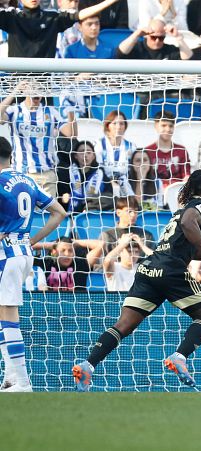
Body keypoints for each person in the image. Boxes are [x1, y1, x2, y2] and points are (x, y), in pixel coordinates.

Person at [72, 170, 201, 391]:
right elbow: (190, 224)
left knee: (123, 325)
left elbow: (187, 248)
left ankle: (88, 365)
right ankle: (180, 357)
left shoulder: (182, 210)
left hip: (149, 269)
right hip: (171, 271)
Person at [0, 137, 67, 392]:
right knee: (2, 318)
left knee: (9, 317)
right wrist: (31, 240)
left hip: (7, 256)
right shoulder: (27, 180)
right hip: (22, 253)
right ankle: (10, 378)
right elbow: (60, 213)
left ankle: (24, 382)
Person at [0, 85, 77, 198]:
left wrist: (70, 109)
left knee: (46, 214)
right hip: (22, 174)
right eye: (34, 88)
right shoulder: (15, 110)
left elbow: (72, 134)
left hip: (47, 175)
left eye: (41, 89)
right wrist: (14, 91)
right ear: (25, 90)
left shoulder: (51, 112)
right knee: (24, 213)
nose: (37, 92)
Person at [0, 0, 120, 58]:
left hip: (44, 84)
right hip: (17, 84)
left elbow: (80, 15)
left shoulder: (52, 17)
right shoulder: (11, 16)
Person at [33, 236, 104, 291]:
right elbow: (24, 248)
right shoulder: (46, 263)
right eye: (63, 250)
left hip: (77, 306)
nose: (67, 254)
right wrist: (52, 245)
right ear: (54, 252)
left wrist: (75, 242)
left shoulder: (80, 265)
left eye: (70, 251)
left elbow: (101, 244)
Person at [65, 140, 114, 212]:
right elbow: (62, 195)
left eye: (88, 152)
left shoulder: (100, 173)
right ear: (75, 156)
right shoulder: (67, 172)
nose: (85, 155)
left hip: (94, 211)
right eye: (82, 152)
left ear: (94, 156)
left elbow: (109, 195)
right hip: (70, 212)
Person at [144, 111, 190, 187]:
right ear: (156, 126)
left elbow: (186, 176)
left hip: (176, 191)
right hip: (154, 191)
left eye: (171, 126)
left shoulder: (181, 150)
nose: (168, 129)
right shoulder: (148, 151)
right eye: (163, 125)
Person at [117, 18, 193, 60]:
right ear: (147, 35)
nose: (157, 41)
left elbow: (188, 59)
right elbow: (120, 52)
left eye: (161, 38)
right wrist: (136, 34)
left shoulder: (169, 50)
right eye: (153, 37)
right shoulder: (138, 48)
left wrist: (178, 37)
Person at [94, 111, 136, 183]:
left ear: (125, 127)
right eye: (114, 123)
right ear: (108, 125)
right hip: (104, 185)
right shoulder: (99, 144)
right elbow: (97, 170)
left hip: (126, 186)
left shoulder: (131, 146)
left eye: (121, 124)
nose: (118, 127)